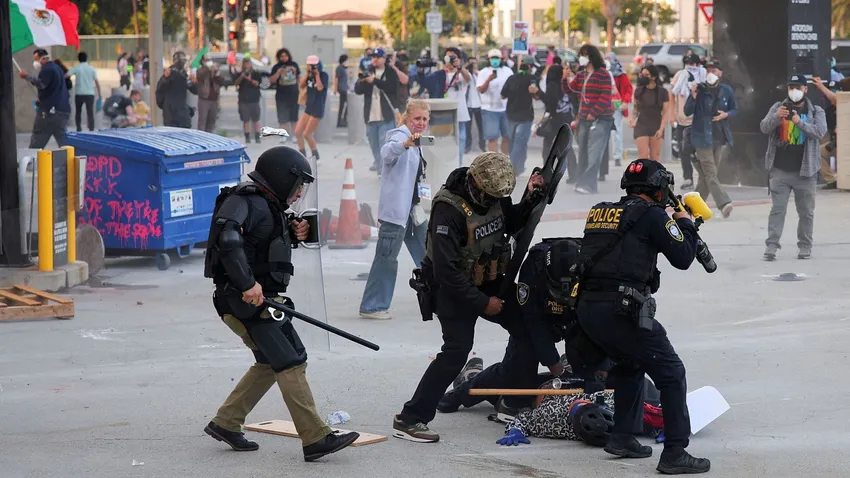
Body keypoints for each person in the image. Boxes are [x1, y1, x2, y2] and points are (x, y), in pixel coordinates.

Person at [203, 146, 360, 461]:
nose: (299, 191)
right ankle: (316, 437)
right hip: (244, 299)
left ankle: (226, 422)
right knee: (290, 359)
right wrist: (247, 284)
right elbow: (229, 241)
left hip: (258, 300)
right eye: (298, 184)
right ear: (281, 177)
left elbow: (261, 240)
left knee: (270, 360)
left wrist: (294, 230)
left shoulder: (269, 205)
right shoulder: (243, 200)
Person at [392, 152, 544, 443]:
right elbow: (446, 272)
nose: (494, 201)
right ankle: (410, 418)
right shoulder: (448, 211)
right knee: (456, 353)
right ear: (475, 183)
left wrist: (529, 197)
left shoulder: (493, 193)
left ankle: (513, 399)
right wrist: (483, 303)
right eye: (491, 196)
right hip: (451, 289)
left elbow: (509, 223)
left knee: (527, 324)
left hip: (487, 279)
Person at [573, 159, 710, 474]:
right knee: (671, 373)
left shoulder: (600, 211)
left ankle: (622, 437)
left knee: (630, 363)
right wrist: (685, 223)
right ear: (659, 189)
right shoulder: (652, 216)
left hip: (588, 310)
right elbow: (683, 257)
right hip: (622, 310)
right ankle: (675, 452)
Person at [358, 101, 431, 320]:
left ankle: (439, 298)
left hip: (413, 211)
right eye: (417, 118)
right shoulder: (399, 137)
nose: (421, 123)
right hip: (396, 213)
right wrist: (405, 144)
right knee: (386, 258)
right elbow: (387, 153)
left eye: (424, 119)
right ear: (407, 118)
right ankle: (372, 306)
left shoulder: (418, 141)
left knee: (430, 254)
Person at [759, 75, 827, 261]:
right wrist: (776, 117)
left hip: (805, 171)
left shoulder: (816, 111)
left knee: (806, 212)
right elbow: (764, 128)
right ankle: (771, 246)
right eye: (791, 88)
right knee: (777, 210)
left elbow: (819, 132)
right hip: (780, 170)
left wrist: (798, 122)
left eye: (798, 87)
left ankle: (805, 246)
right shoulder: (777, 107)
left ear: (805, 89)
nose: (794, 91)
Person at [684, 61, 736, 218]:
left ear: (720, 73)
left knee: (707, 175)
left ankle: (692, 208)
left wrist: (726, 114)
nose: (711, 73)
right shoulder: (699, 89)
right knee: (711, 173)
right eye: (708, 71)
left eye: (714, 70)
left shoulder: (726, 90)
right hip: (702, 138)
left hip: (719, 137)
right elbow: (687, 111)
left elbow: (734, 109)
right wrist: (693, 96)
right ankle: (724, 204)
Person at [563, 44, 616, 195]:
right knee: (583, 152)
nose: (581, 58)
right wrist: (565, 78)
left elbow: (605, 96)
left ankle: (589, 185)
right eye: (580, 55)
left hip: (601, 119)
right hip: (584, 119)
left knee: (594, 152)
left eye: (584, 55)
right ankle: (581, 182)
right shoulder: (582, 75)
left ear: (592, 57)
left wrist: (594, 113)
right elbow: (569, 89)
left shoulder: (603, 74)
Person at [418, 47, 472, 164]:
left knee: (460, 141)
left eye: (453, 57)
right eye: (448, 57)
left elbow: (468, 80)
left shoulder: (462, 73)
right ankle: (443, 164)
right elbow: (425, 83)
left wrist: (460, 67)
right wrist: (420, 71)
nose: (450, 60)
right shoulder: (439, 74)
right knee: (442, 142)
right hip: (443, 113)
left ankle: (458, 165)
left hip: (459, 114)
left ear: (459, 59)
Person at [354, 48, 400, 175]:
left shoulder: (390, 72)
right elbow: (357, 90)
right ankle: (380, 168)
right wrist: (363, 81)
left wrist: (374, 81)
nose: (375, 59)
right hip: (370, 116)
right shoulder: (368, 71)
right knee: (374, 145)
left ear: (384, 59)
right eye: (373, 57)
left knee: (384, 145)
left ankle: (385, 171)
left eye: (378, 57)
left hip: (386, 116)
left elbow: (392, 88)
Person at [19, 49, 70, 148]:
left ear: (42, 58)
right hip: (62, 111)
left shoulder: (47, 69)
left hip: (48, 112)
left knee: (37, 142)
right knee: (64, 144)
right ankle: (69, 157)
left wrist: (26, 76)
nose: (35, 62)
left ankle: (33, 157)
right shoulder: (56, 68)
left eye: (36, 59)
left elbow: (41, 84)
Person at [501, 58, 541, 174]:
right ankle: (513, 168)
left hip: (510, 115)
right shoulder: (532, 79)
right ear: (530, 67)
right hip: (525, 116)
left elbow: (502, 96)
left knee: (513, 142)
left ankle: (518, 168)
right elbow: (536, 96)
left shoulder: (511, 78)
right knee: (520, 143)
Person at [670, 55, 705, 190]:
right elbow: (672, 93)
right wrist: (672, 114)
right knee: (683, 151)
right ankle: (688, 178)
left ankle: (703, 178)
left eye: (693, 63)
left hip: (697, 121)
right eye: (688, 63)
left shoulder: (702, 76)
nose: (690, 66)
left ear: (698, 64)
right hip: (682, 120)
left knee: (698, 152)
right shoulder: (680, 75)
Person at [477, 49, 514, 155]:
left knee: (507, 136)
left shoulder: (507, 71)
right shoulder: (483, 72)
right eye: (493, 58)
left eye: (497, 58)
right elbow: (480, 90)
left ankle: (505, 159)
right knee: (492, 137)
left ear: (501, 59)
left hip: (506, 109)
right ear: (489, 59)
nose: (495, 60)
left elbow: (513, 87)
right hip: (489, 110)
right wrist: (489, 80)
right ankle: (495, 160)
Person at [630, 66, 670, 162]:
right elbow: (635, 108)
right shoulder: (638, 91)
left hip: (656, 125)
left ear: (653, 77)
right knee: (642, 155)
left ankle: (653, 172)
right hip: (641, 125)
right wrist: (632, 119)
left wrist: (661, 129)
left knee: (654, 156)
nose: (643, 76)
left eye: (646, 74)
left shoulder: (663, 92)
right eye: (642, 74)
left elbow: (665, 113)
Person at [294, 55, 328, 160]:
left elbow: (320, 88)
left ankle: (315, 155)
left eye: (314, 65)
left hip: (318, 108)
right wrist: (308, 73)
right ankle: (302, 154)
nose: (312, 67)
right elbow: (301, 85)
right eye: (309, 65)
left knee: (307, 134)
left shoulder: (323, 75)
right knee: (297, 132)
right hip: (309, 107)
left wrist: (317, 75)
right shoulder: (309, 76)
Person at [156, 51, 197, 128]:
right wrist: (166, 79)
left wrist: (193, 82)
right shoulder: (170, 73)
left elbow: (194, 90)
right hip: (171, 113)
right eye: (180, 60)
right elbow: (160, 89)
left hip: (182, 112)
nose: (182, 62)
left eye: (183, 60)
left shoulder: (184, 74)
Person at [811, 76, 838, 189]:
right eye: (831, 91)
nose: (832, 94)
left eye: (835, 91)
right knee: (816, 151)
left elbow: (836, 99)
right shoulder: (828, 111)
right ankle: (832, 180)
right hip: (836, 144)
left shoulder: (846, 105)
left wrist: (821, 86)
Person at [606, 53, 633, 168]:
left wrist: (625, 101)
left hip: (616, 106)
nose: (608, 61)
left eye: (609, 59)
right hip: (603, 106)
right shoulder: (602, 73)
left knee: (617, 131)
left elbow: (628, 89)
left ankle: (617, 156)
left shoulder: (621, 74)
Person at [269, 48, 301, 140]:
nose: (284, 58)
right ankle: (283, 136)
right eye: (281, 56)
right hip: (281, 95)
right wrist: (278, 72)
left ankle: (295, 136)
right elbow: (271, 80)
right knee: (282, 117)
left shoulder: (294, 65)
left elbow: (299, 77)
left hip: (294, 94)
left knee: (294, 117)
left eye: (285, 56)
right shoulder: (276, 67)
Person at [65, 52, 101, 132]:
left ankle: (78, 128)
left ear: (78, 59)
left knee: (78, 111)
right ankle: (91, 129)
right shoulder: (92, 68)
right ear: (86, 58)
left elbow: (66, 76)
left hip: (79, 93)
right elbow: (97, 82)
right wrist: (99, 94)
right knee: (90, 112)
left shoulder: (76, 68)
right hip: (90, 93)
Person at [235, 57, 263, 144]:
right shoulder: (240, 73)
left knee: (256, 119)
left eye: (248, 63)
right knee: (245, 119)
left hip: (254, 99)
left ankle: (257, 137)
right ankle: (247, 137)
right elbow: (236, 83)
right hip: (243, 100)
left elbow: (258, 83)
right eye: (245, 63)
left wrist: (249, 79)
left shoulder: (256, 73)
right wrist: (242, 76)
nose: (247, 65)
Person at [195, 56, 223, 133]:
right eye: (206, 60)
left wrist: (216, 72)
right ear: (202, 62)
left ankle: (209, 137)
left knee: (212, 122)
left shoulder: (214, 70)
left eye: (209, 60)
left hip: (214, 99)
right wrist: (207, 68)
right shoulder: (200, 70)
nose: (209, 62)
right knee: (202, 122)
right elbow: (200, 76)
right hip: (204, 99)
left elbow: (221, 81)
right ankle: (201, 138)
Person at [465, 58, 486, 154]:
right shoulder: (467, 75)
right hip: (469, 104)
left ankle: (482, 145)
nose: (473, 65)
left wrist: (477, 73)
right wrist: (467, 66)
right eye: (471, 64)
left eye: (475, 63)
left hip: (479, 104)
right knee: (467, 128)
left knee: (482, 127)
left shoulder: (480, 74)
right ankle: (468, 145)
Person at [335, 54, 349, 128]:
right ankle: (343, 120)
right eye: (347, 60)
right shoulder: (339, 68)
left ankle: (340, 121)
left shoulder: (343, 68)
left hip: (344, 88)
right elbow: (336, 78)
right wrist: (335, 89)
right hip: (342, 88)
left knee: (342, 105)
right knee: (347, 104)